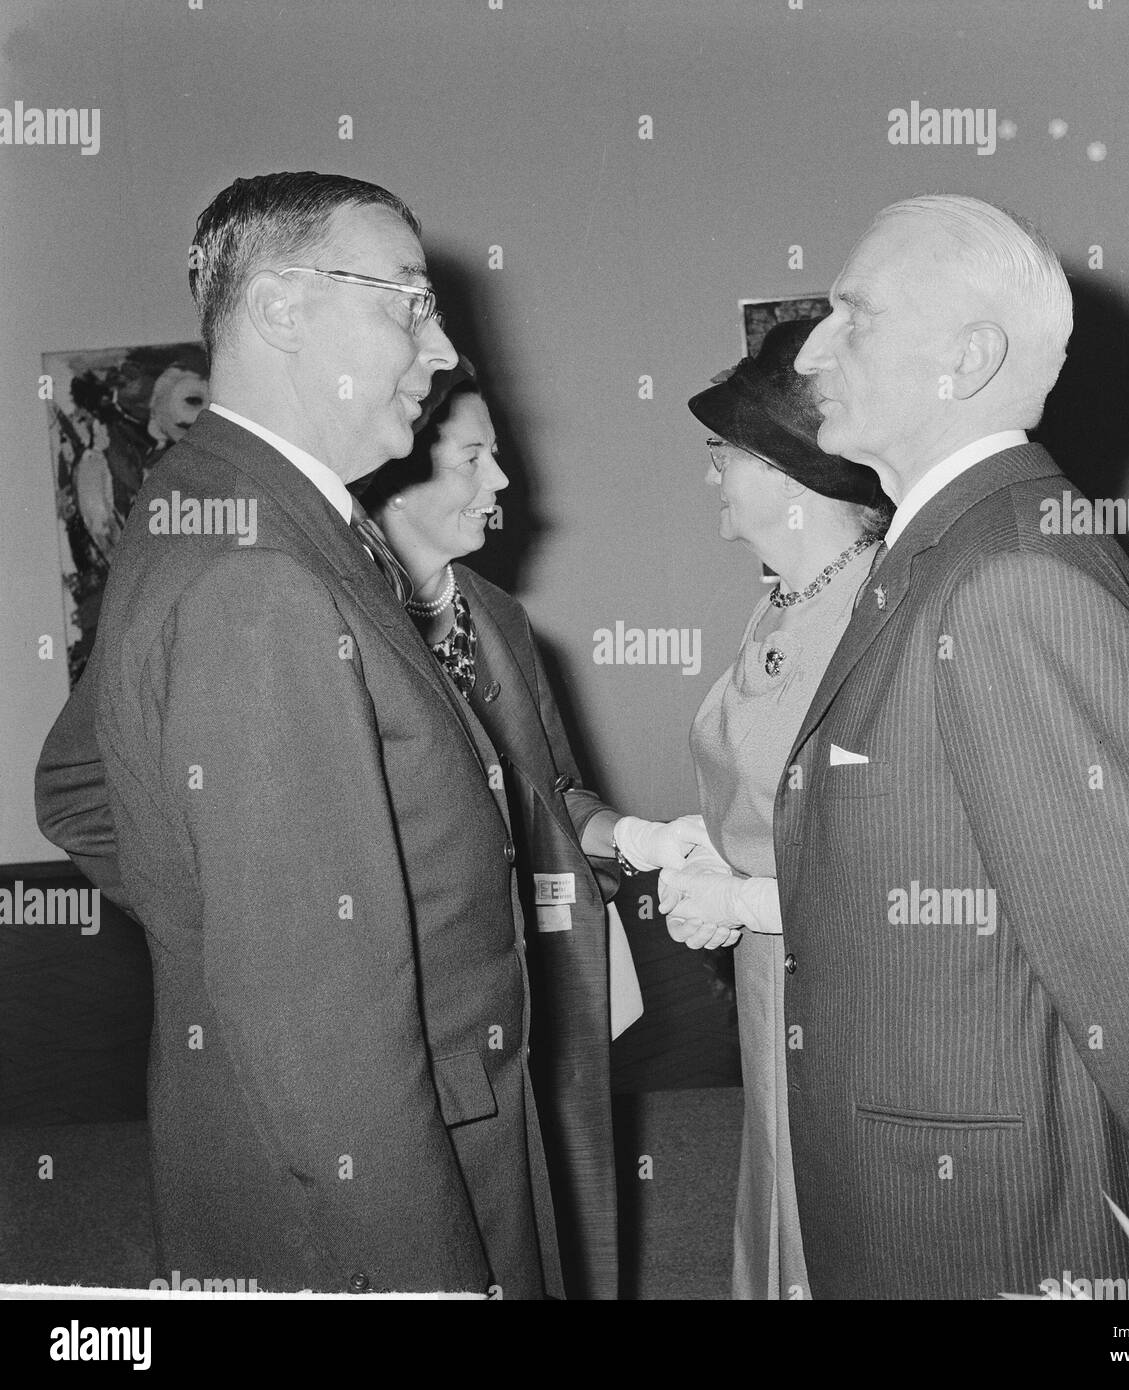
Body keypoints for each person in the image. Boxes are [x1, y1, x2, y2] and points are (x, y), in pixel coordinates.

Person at [33, 171, 712, 1296]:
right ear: (283, 309)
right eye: (407, 300)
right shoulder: (263, 580)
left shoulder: (228, 512)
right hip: (387, 1185)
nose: (439, 346)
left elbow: (89, 785)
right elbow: (325, 1054)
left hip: (397, 1117)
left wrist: (231, 931)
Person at [764, 191, 1129, 1298]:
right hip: (931, 1166)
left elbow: (1128, 931)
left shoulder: (1005, 576)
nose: (811, 346)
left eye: (852, 315)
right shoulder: (952, 548)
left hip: (998, 1207)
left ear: (966, 359)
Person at [364, 375, 718, 1298]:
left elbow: (551, 790)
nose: (504, 480)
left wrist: (636, 837)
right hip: (415, 1000)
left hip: (535, 984)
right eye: (474, 457)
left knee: (563, 1236)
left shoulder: (500, 619)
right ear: (392, 477)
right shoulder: (339, 618)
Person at [655, 319, 892, 1299]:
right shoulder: (788, 596)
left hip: (851, 977)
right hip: (768, 969)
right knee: (780, 1179)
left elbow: (897, 855)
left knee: (844, 1212)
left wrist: (748, 900)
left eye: (728, 452)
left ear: (790, 475)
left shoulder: (872, 611)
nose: (710, 468)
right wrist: (708, 857)